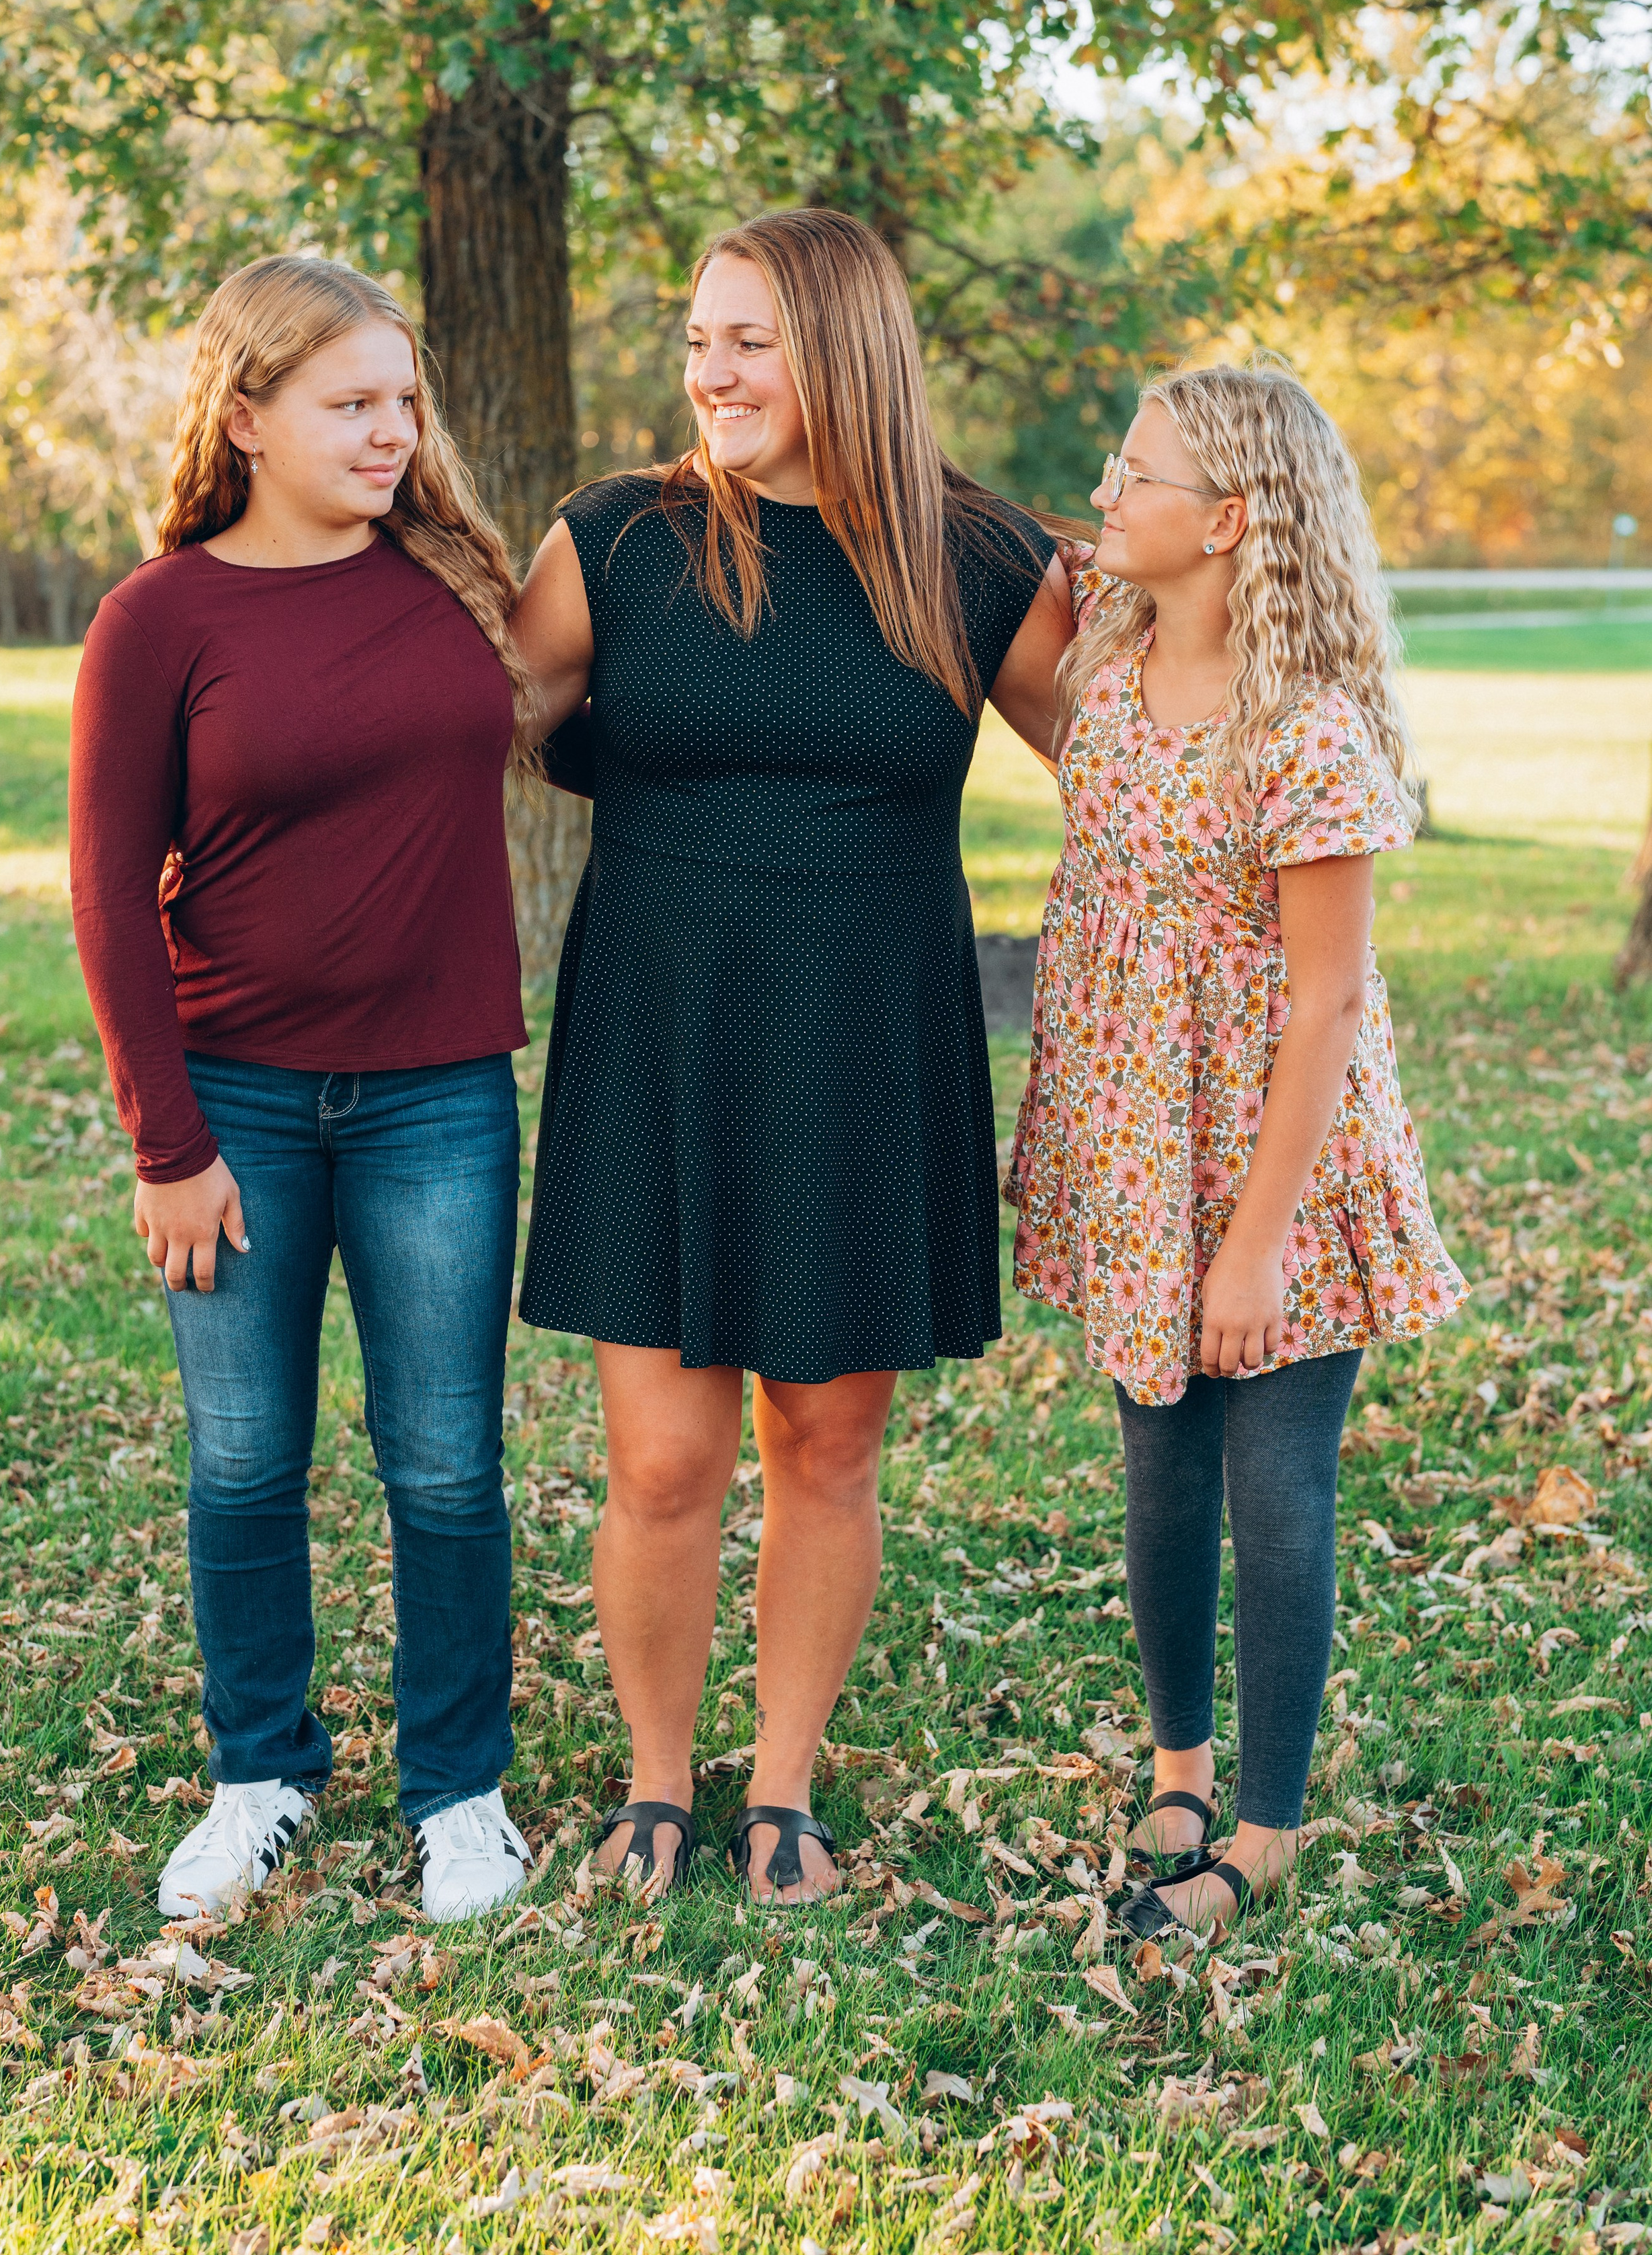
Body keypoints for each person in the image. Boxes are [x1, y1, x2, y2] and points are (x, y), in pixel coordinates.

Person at [511, 208, 1072, 1903]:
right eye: (699, 336)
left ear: (842, 347)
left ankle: (781, 1794)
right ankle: (656, 1786)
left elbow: (1134, 779)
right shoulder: (612, 540)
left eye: (748, 338)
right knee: (663, 1459)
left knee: (825, 1445)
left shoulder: (977, 557)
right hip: (653, 1041)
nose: (710, 367)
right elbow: (459, 731)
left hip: (861, 1049)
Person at [69, 255, 538, 1924]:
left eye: (404, 402)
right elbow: (113, 891)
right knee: (247, 1462)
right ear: (247, 414)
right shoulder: (162, 617)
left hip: (439, 1100)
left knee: (444, 1466)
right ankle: (259, 1771)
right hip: (236, 1104)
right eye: (352, 404)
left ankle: (458, 1794)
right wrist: (167, 1144)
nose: (392, 432)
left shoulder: (457, 583)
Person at [1005, 360, 1467, 1942]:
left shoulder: (1304, 728)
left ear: (1229, 519)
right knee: (1157, 1480)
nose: (1104, 494)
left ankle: (1260, 1827)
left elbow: (1328, 1001)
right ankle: (1181, 1762)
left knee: (1274, 1486)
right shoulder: (1110, 662)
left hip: (1279, 1158)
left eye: (1133, 475)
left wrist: (1256, 1244)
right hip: (1140, 1146)